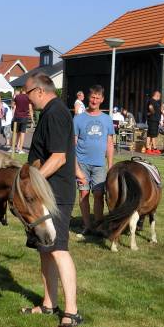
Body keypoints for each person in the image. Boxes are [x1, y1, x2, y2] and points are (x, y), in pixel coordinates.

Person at [21, 73, 81, 327]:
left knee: (58, 249)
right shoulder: (49, 113)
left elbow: (58, 158)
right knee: (45, 249)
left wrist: (32, 182)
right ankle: (49, 304)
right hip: (46, 193)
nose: (26, 99)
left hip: (56, 195)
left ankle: (72, 312)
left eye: (27, 93)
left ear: (39, 91)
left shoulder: (55, 113)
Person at [73, 85, 114, 237]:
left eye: (97, 98)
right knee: (84, 193)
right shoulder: (78, 119)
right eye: (92, 97)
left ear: (102, 99)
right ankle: (87, 226)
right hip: (82, 162)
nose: (94, 100)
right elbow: (72, 144)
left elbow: (110, 144)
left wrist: (110, 165)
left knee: (98, 194)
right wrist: (75, 166)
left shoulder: (107, 119)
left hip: (99, 164)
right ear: (88, 98)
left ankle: (98, 225)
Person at [11, 87, 33, 154]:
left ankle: (14, 148)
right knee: (22, 133)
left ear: (21, 90)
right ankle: (20, 149)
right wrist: (32, 119)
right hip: (24, 117)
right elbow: (30, 109)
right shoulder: (28, 97)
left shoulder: (17, 97)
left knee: (16, 132)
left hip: (17, 116)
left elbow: (13, 105)